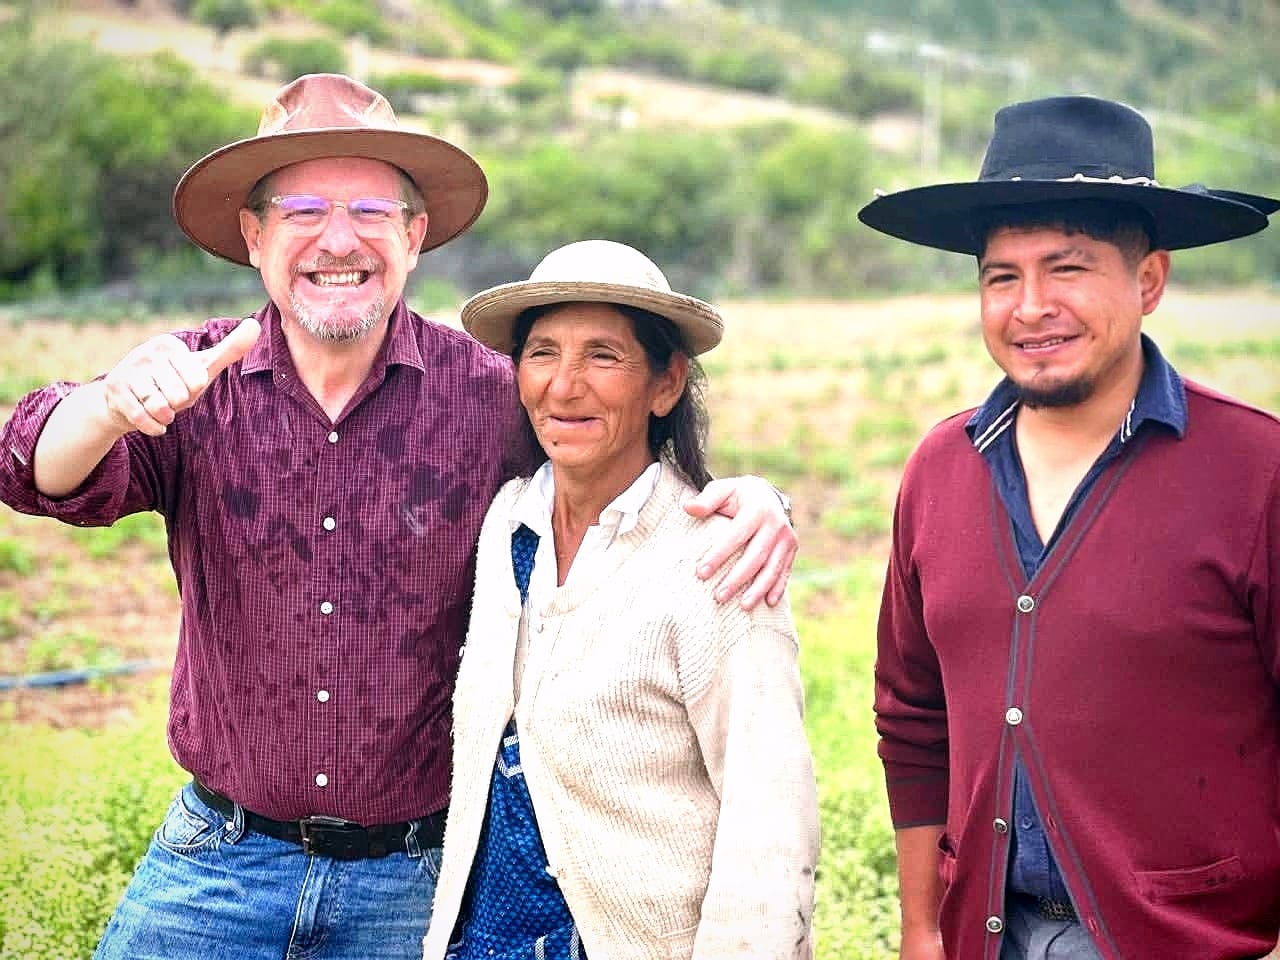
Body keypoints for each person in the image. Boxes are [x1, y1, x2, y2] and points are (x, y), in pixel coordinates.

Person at [0, 74, 796, 960]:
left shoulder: (495, 396)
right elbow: (32, 470)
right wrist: (109, 402)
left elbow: (622, 459)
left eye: (371, 212)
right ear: (255, 236)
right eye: (302, 210)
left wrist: (762, 500)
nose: (338, 240)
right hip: (218, 861)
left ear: (414, 237)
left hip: (415, 876)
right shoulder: (191, 385)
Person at [859, 95, 1280, 960]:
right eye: (1001, 277)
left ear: (1150, 280)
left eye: (1069, 268)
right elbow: (911, 718)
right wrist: (920, 929)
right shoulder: (939, 470)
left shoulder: (1256, 471)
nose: (1030, 306)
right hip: (987, 936)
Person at [420, 239, 820, 960]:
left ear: (665, 385)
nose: (564, 386)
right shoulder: (508, 523)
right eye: (542, 353)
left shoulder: (719, 561)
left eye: (602, 356)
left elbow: (770, 821)